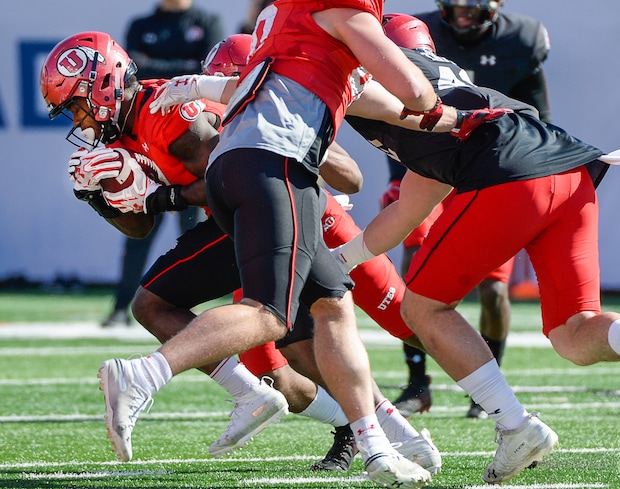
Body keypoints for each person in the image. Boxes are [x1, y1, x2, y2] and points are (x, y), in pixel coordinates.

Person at [91, 1, 467, 486]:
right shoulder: (294, 50)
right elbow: (409, 98)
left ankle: (393, 433)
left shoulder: (270, 66)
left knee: (381, 317)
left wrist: (164, 191)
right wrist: (107, 198)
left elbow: (352, 170)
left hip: (292, 199)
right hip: (262, 193)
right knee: (283, 332)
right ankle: (371, 434)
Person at [333, 13, 620, 482]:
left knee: (422, 308)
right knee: (572, 333)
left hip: (511, 176)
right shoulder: (452, 91)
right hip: (571, 172)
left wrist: (201, 89)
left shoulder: (376, 77)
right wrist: (340, 260)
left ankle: (515, 425)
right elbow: (403, 216)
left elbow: (347, 98)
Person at [389, 0, 552, 419]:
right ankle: (417, 382)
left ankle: (487, 386)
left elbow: (537, 112)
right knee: (413, 271)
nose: (465, 10)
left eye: (475, 4)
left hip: (487, 174)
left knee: (494, 286)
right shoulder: (408, 32)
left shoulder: (521, 38)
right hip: (423, 172)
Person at [101, 0, 225, 327]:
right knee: (136, 212)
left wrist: (172, 74)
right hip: (151, 140)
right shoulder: (143, 24)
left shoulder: (207, 21)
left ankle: (212, 307)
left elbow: (206, 74)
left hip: (183, 137)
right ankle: (120, 305)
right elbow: (132, 73)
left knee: (199, 226)